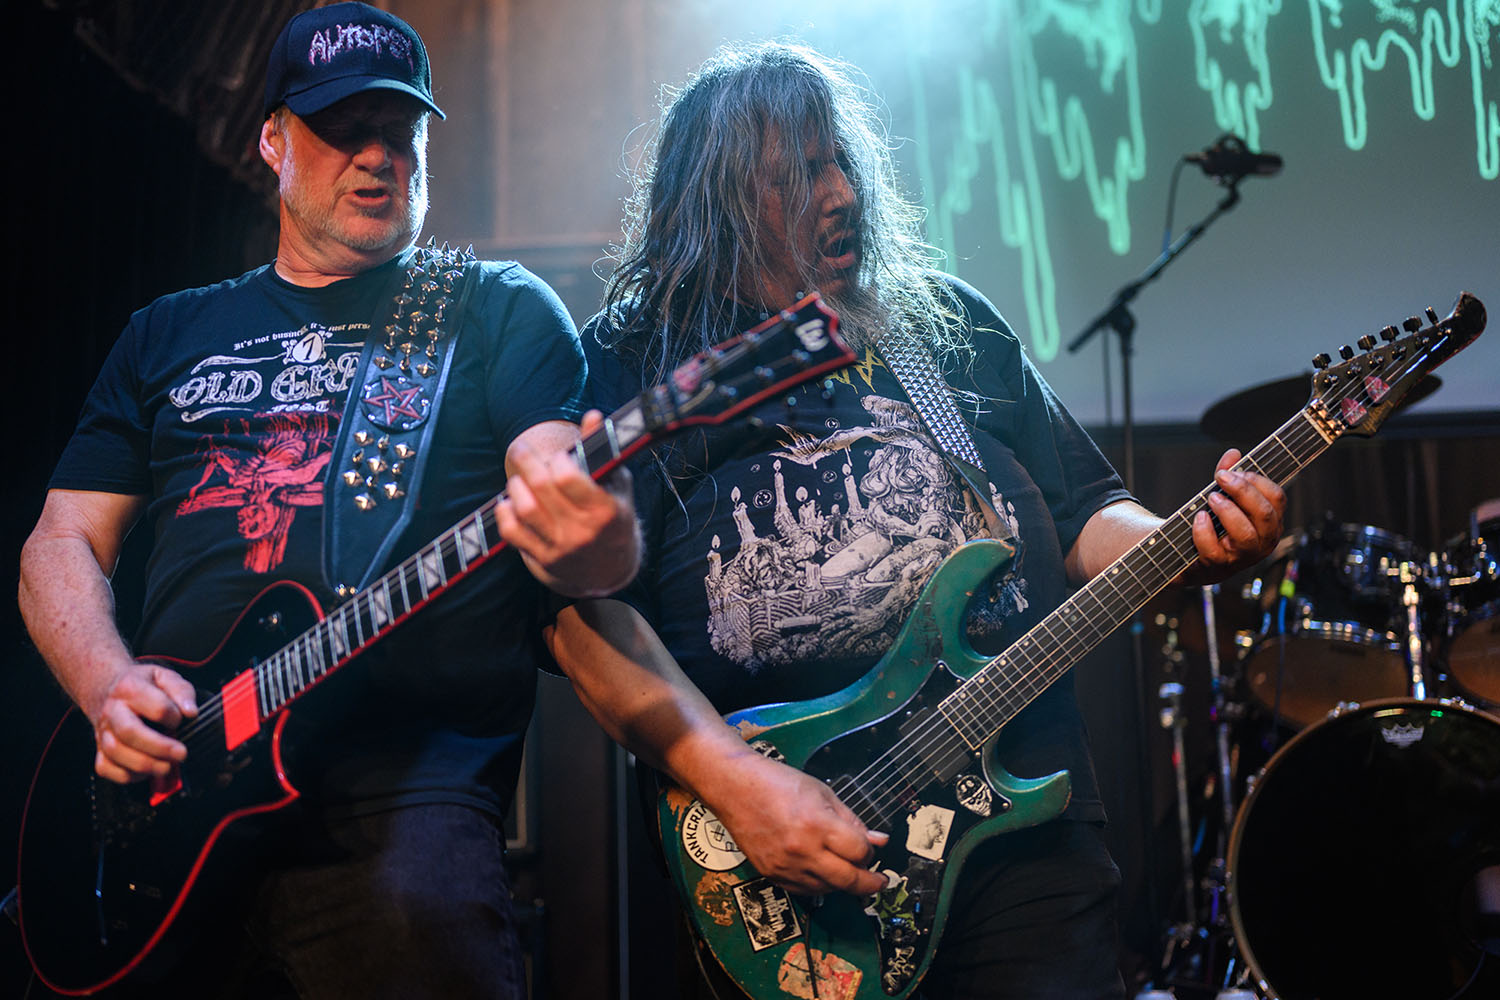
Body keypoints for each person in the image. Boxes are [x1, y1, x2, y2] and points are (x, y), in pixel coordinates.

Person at [545, 42, 1285, 999]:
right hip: (789, 858)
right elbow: (580, 617)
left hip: (1023, 826)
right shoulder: (634, 363)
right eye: (798, 174)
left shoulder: (940, 325)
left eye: (841, 163)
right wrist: (735, 781)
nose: (842, 194)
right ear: (715, 202)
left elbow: (1085, 513)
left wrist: (1196, 541)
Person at [16, 4, 636, 998]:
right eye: (345, 128)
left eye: (400, 131)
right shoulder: (166, 332)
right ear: (273, 139)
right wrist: (105, 686)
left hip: (397, 802)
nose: (377, 156)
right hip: (170, 791)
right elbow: (60, 543)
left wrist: (597, 533)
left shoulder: (495, 308)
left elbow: (562, 492)